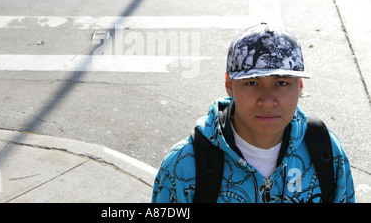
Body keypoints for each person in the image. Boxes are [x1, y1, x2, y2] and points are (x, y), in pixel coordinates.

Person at [151, 23, 355, 203]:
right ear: (229, 85)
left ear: (300, 86)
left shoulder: (326, 150)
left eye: (281, 82)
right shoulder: (184, 164)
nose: (267, 101)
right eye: (252, 83)